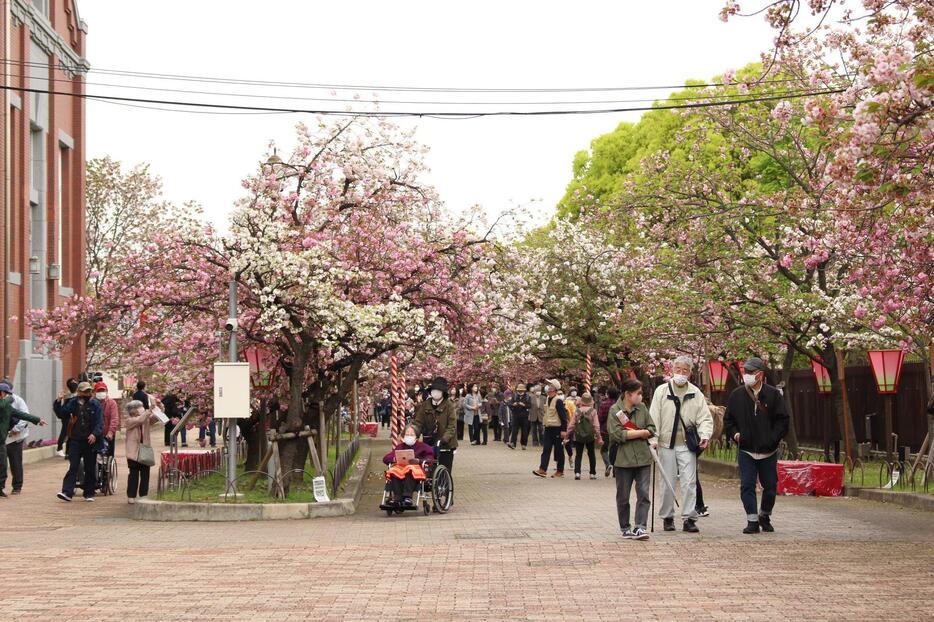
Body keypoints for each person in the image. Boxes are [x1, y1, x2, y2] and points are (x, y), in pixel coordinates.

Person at [723, 356, 790, 534]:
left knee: (770, 486)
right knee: (747, 485)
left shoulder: (773, 394)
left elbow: (782, 421)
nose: (747, 375)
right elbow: (728, 420)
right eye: (745, 372)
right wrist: (736, 434)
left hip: (768, 450)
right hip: (746, 449)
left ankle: (764, 515)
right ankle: (752, 520)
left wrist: (773, 439)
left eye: (750, 372)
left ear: (759, 375)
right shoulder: (737, 395)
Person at [648, 355, 713, 533]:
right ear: (672, 370)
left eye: (685, 370)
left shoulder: (695, 392)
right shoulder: (661, 391)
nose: (681, 373)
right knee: (667, 481)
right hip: (665, 443)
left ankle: (689, 518)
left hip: (687, 444)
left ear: (690, 373)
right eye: (678, 370)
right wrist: (653, 439)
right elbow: (654, 417)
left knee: (689, 482)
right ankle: (667, 517)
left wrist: (705, 434)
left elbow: (705, 418)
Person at [607, 378, 655, 540]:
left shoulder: (642, 408)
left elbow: (651, 428)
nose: (640, 396)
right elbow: (616, 434)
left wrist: (643, 432)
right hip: (623, 459)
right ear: (628, 394)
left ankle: (640, 526)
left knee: (643, 493)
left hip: (643, 458)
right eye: (638, 393)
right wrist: (640, 433)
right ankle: (625, 527)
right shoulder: (615, 410)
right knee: (623, 496)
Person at [57, 381, 104, 502]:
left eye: (88, 391)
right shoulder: (73, 402)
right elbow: (62, 413)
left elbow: (99, 422)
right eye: (84, 391)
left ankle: (89, 492)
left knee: (89, 467)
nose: (87, 393)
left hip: (90, 441)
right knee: (73, 466)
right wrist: (58, 402)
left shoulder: (95, 404)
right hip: (75, 440)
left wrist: (94, 434)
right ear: (79, 392)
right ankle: (67, 492)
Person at [0, 382, 47, 496]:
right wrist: (9, 399)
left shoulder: (8, 406)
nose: (10, 397)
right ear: (2, 393)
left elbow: (22, 414)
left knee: (4, 465)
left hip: (5, 440)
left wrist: (37, 419)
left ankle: (3, 487)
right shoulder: (5, 403)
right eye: (7, 395)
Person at [412, 377, 458, 475]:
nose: (435, 393)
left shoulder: (449, 405)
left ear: (443, 393)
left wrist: (444, 439)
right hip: (429, 441)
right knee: (428, 469)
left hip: (446, 444)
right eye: (433, 390)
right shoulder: (425, 405)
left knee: (444, 471)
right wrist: (412, 434)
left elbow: (452, 426)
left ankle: (444, 487)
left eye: (438, 391)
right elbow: (418, 422)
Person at [382, 425, 435, 506]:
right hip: (401, 470)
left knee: (410, 469)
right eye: (407, 434)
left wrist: (419, 461)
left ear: (416, 437)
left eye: (411, 434)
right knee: (393, 471)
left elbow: (430, 459)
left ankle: (408, 497)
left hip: (416, 470)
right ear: (403, 436)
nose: (409, 436)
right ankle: (397, 498)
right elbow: (386, 458)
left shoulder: (424, 447)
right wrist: (394, 459)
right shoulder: (400, 447)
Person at [123, 399, 161, 503]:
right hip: (133, 452)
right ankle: (131, 495)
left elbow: (156, 418)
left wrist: (159, 406)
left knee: (145, 473)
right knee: (133, 474)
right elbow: (139, 420)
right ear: (133, 411)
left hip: (144, 450)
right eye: (138, 407)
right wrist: (149, 410)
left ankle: (144, 494)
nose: (141, 409)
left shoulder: (145, 419)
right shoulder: (129, 420)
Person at [532, 379, 567, 478]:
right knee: (546, 449)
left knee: (559, 450)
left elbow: (563, 417)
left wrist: (564, 430)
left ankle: (560, 471)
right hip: (548, 428)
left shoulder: (558, 401)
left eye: (550, 385)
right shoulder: (547, 398)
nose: (548, 387)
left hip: (557, 429)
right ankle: (542, 469)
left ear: (554, 388)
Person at [567, 392, 601, 479]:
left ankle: (577, 473)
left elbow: (571, 425)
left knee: (578, 454)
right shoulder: (593, 411)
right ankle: (592, 473)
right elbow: (596, 426)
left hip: (578, 436)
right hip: (590, 436)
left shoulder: (577, 411)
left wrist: (567, 436)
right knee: (591, 454)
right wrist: (599, 437)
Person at [53, 377, 78, 457]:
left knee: (71, 435)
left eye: (75, 382)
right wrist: (58, 400)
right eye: (72, 382)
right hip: (68, 419)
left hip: (77, 419)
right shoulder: (68, 397)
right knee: (66, 433)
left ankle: (69, 451)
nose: (74, 384)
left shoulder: (80, 396)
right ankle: (61, 449)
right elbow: (61, 412)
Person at [94, 382, 119, 459]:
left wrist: (111, 432)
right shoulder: (92, 403)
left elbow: (114, 419)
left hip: (107, 434)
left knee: (108, 456)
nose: (101, 393)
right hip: (95, 435)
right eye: (98, 391)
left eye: (102, 390)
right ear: (94, 392)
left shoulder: (112, 403)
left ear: (106, 391)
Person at [599, 387, 620, 477]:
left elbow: (600, 417)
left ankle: (608, 464)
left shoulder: (604, 404)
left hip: (606, 430)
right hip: (617, 430)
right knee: (615, 450)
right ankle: (616, 471)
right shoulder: (619, 405)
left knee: (604, 449)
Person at [508, 384, 532, 450]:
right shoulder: (514, 396)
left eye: (521, 390)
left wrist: (524, 405)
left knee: (524, 431)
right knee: (514, 430)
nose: (520, 392)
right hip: (515, 415)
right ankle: (513, 443)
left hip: (524, 416)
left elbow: (530, 405)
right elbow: (509, 404)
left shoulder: (527, 396)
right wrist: (513, 404)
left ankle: (523, 444)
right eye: (519, 390)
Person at [529, 383, 544, 447]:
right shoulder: (530, 397)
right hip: (533, 415)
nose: (538, 392)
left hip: (541, 415)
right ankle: (535, 441)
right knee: (534, 429)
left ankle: (542, 441)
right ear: (534, 392)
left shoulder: (544, 398)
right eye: (537, 391)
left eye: (539, 390)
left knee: (541, 429)